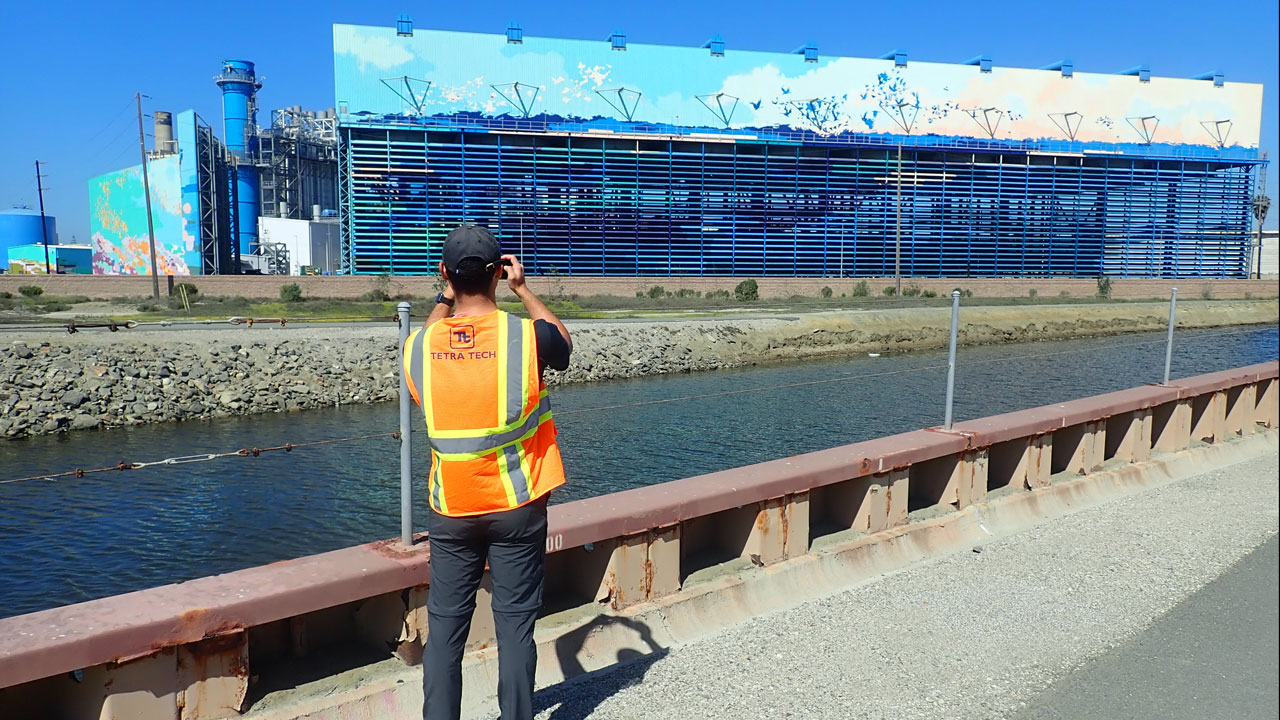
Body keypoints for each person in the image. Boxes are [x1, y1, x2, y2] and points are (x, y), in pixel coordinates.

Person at [402, 224, 572, 720]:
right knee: (515, 626)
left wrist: (442, 295)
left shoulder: (419, 347)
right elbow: (563, 342)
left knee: (446, 629)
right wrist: (523, 289)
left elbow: (431, 334)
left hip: (451, 511)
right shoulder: (527, 337)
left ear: (446, 276)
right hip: (517, 505)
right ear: (499, 272)